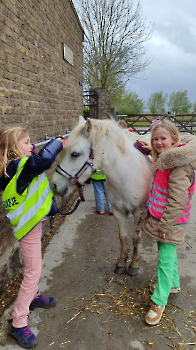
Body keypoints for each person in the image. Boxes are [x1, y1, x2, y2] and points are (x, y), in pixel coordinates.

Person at [0, 126, 64, 348]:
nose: (32, 146)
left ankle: (34, 297)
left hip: (32, 225)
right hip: (28, 229)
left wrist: (51, 208)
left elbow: (34, 193)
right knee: (32, 271)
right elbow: (45, 160)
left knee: (33, 268)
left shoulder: (16, 168)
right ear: (13, 149)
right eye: (27, 142)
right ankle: (18, 322)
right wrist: (58, 142)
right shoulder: (18, 166)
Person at [141, 119, 195, 326]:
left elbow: (178, 200)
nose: (158, 143)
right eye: (155, 139)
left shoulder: (179, 166)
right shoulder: (167, 158)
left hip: (170, 222)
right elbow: (162, 157)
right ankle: (174, 284)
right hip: (161, 218)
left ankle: (159, 301)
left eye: (163, 138)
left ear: (174, 139)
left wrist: (165, 226)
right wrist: (150, 149)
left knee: (164, 259)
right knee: (167, 254)